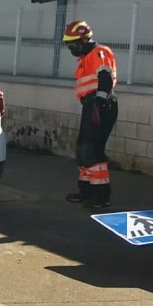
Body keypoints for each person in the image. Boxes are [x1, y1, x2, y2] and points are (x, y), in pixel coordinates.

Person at [62, 20, 118, 209]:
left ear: (85, 39)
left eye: (73, 43)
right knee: (83, 149)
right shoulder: (86, 57)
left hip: (100, 105)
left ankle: (101, 196)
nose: (71, 48)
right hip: (91, 105)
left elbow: (105, 78)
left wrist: (100, 102)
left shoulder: (99, 53)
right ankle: (86, 191)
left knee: (92, 150)